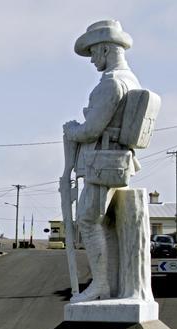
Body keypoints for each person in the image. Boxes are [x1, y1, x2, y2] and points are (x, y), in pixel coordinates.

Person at [61, 20, 155, 302]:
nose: (91, 59)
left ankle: (101, 284)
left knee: (88, 220)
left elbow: (91, 129)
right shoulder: (130, 79)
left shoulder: (112, 84)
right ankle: (110, 283)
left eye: (93, 52)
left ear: (104, 49)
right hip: (114, 160)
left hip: (103, 163)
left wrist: (71, 130)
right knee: (106, 223)